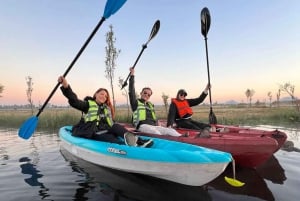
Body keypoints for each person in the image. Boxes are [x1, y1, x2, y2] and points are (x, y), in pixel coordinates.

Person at [58, 76, 153, 147]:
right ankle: (129, 148)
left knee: (116, 126)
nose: (104, 96)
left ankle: (139, 141)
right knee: (112, 139)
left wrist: (120, 128)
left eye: (106, 96)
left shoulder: (106, 108)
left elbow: (111, 123)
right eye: (102, 94)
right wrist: (66, 86)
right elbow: (74, 101)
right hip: (93, 132)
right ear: (95, 94)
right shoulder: (87, 105)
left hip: (106, 129)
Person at [128, 67, 183, 137]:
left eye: (149, 94)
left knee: (170, 130)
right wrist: (132, 75)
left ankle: (182, 138)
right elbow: (131, 91)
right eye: (145, 93)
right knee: (156, 133)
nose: (146, 95)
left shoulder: (150, 105)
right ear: (141, 93)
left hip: (154, 126)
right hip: (143, 126)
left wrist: (158, 122)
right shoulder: (135, 103)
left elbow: (154, 117)